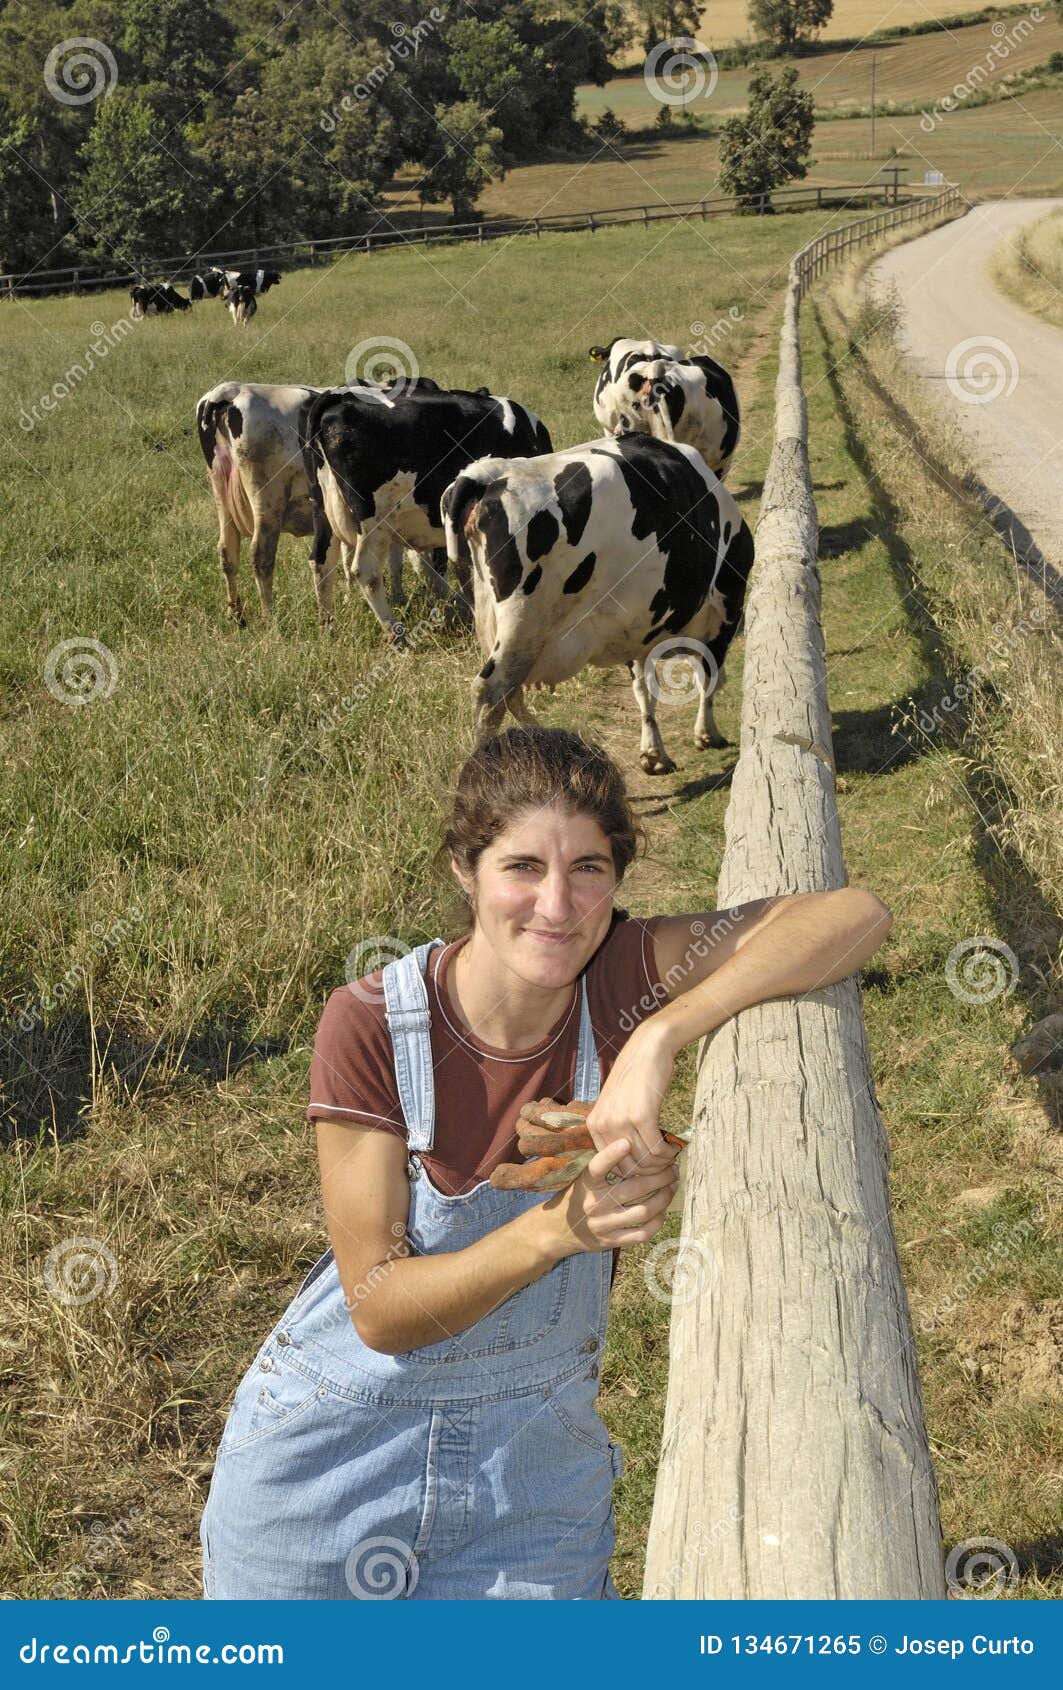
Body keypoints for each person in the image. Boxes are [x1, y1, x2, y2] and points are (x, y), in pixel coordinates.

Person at [199, 726, 892, 1599]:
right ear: (466, 870)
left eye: (588, 869)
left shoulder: (621, 979)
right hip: (327, 1476)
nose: (558, 906)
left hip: (529, 1482)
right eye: (522, 867)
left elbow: (852, 915)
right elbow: (377, 1308)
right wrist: (559, 1232)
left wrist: (658, 1036)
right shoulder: (371, 1021)